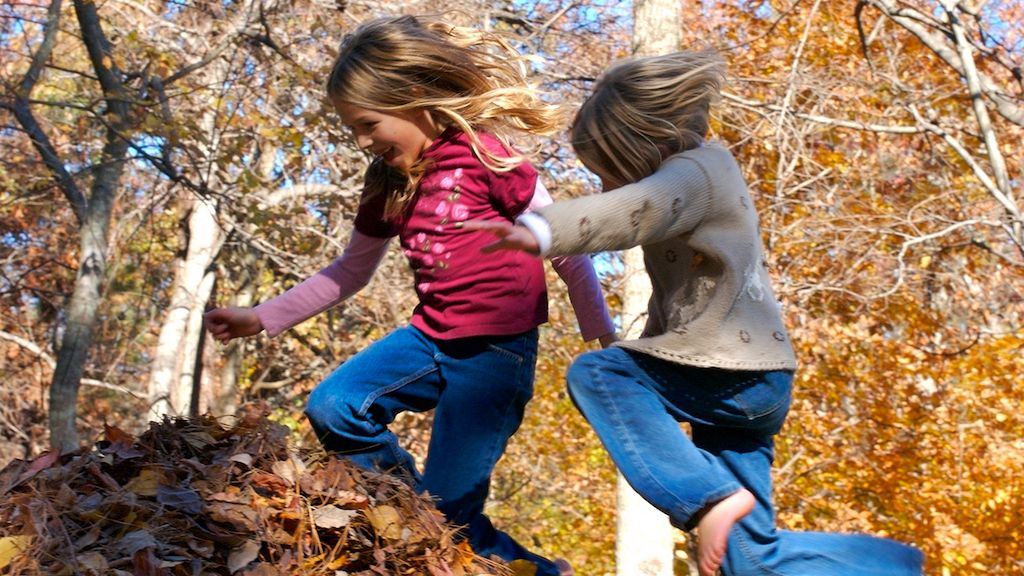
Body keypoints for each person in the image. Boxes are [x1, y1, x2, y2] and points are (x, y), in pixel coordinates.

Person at [467, 50, 924, 576]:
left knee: (597, 376)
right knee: (748, 560)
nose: (606, 189)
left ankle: (706, 500)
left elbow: (642, 207)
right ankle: (893, 564)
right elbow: (683, 306)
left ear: (648, 146)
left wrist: (543, 229)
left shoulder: (696, 171)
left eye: (609, 173)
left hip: (729, 372)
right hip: (748, 383)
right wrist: (636, 347)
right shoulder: (697, 181)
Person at [203, 15, 614, 576]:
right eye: (353, 129)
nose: (363, 140)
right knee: (335, 407)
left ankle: (539, 571)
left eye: (369, 124)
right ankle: (405, 509)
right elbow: (350, 270)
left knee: (452, 520)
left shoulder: (493, 160)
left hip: (496, 357)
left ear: (415, 96)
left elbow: (568, 246)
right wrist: (261, 316)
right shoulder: (388, 184)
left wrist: (600, 332)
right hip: (427, 339)